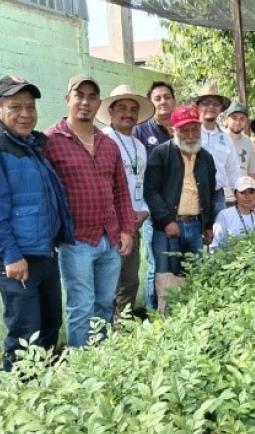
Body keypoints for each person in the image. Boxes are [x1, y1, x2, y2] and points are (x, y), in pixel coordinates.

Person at [0, 75, 74, 371]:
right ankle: (21, 393)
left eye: (30, 107)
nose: (26, 114)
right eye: (16, 107)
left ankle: (45, 386)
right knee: (26, 331)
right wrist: (11, 255)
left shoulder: (31, 145)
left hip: (43, 252)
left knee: (51, 322)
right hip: (16, 257)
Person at [44, 75, 135, 347]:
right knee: (81, 308)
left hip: (110, 238)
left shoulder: (108, 144)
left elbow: (121, 191)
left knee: (105, 304)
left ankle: (102, 361)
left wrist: (127, 230)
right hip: (76, 241)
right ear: (67, 99)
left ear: (98, 103)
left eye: (92, 96)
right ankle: (80, 369)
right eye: (78, 95)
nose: (85, 102)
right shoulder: (51, 140)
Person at [97, 85, 155, 317]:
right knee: (108, 283)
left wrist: (144, 211)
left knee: (130, 281)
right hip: (111, 226)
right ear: (110, 112)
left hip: (135, 223)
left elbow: (142, 183)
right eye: (121, 108)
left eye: (133, 109)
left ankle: (125, 331)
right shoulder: (102, 141)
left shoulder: (139, 146)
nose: (128, 114)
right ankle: (106, 335)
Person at [144, 105, 216, 279]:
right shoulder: (160, 154)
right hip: (168, 228)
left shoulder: (206, 158)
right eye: (184, 130)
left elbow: (210, 194)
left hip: (195, 226)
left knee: (195, 278)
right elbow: (151, 191)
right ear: (173, 130)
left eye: (194, 129)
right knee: (166, 280)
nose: (191, 136)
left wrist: (207, 225)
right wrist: (167, 221)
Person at [133, 81, 176, 311]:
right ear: (151, 102)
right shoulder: (142, 130)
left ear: (174, 101)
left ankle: (172, 308)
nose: (163, 101)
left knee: (176, 261)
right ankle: (152, 312)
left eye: (167, 97)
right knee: (155, 263)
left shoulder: (180, 128)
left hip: (178, 208)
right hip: (152, 208)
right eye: (157, 98)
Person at [196, 83, 241, 216]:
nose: (211, 107)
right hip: (192, 195)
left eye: (215, 104)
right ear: (198, 106)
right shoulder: (189, 133)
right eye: (206, 103)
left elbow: (233, 170)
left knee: (219, 235)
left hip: (218, 196)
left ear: (221, 108)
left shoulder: (226, 139)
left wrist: (239, 195)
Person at [210, 176, 255, 249]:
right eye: (242, 192)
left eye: (251, 192)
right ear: (235, 195)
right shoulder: (224, 215)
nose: (247, 196)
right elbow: (216, 245)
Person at [224, 101, 255, 183]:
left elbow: (252, 171)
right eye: (234, 118)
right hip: (222, 192)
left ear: (246, 121)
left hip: (242, 191)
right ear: (227, 119)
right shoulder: (219, 138)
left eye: (242, 119)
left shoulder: (248, 141)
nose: (238, 122)